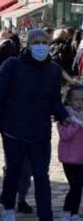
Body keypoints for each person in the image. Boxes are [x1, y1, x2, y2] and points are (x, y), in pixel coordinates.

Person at [0, 29, 70, 221]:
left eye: (44, 42)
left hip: (40, 132)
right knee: (13, 172)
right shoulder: (12, 65)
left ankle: (46, 216)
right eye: (36, 42)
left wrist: (65, 116)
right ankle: (8, 207)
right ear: (28, 45)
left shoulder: (54, 70)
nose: (41, 46)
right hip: (13, 131)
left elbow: (54, 101)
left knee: (42, 176)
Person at [58, 85, 83, 221]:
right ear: (69, 100)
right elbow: (65, 135)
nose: (80, 103)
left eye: (82, 100)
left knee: (79, 187)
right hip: (70, 158)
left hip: (82, 158)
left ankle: (74, 213)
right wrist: (76, 124)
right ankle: (67, 212)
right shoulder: (66, 117)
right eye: (76, 100)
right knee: (75, 187)